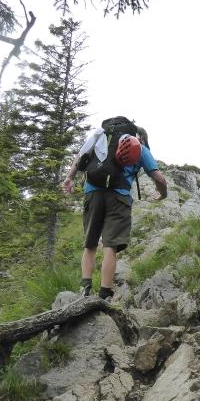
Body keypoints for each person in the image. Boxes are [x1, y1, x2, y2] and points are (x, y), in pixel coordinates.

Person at [61, 121, 168, 300]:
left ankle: (85, 287)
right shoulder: (139, 147)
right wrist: (162, 193)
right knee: (110, 245)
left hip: (92, 193)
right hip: (119, 197)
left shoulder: (100, 138)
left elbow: (80, 157)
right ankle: (105, 293)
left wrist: (69, 178)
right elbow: (159, 178)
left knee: (90, 243)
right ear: (140, 137)